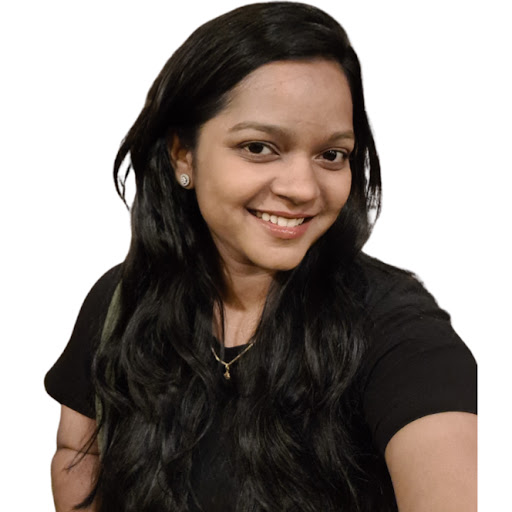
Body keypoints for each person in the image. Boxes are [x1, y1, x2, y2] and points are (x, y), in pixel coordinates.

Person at [45, 2, 477, 511]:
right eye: (258, 147)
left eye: (331, 155)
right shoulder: (123, 300)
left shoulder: (399, 331)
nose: (302, 188)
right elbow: (77, 452)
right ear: (183, 154)